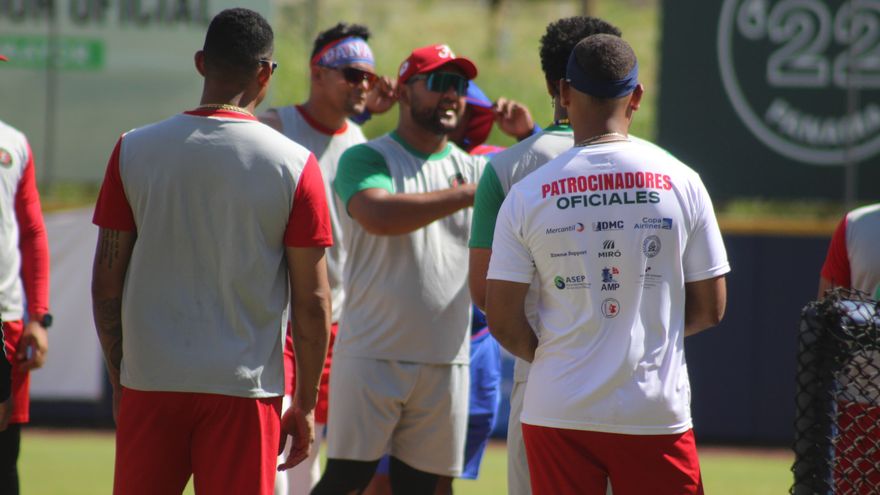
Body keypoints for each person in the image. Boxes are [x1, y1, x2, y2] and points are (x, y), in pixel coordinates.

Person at [90, 9, 332, 495]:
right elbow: (313, 303)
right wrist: (305, 404)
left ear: (201, 62)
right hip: (244, 390)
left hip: (152, 382)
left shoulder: (133, 149)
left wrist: (121, 378)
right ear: (266, 73)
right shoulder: (295, 164)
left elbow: (106, 284)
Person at [485, 34, 729, 494]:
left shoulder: (526, 194)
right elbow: (711, 308)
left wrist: (561, 356)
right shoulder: (683, 181)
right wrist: (642, 340)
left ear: (564, 93)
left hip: (557, 406)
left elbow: (500, 317)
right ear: (636, 96)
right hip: (653, 409)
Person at [311, 43, 485, 495]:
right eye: (440, 83)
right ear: (405, 92)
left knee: (422, 488)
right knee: (346, 480)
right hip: (373, 353)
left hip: (446, 357)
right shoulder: (368, 157)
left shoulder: (475, 168)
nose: (453, 95)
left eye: (460, 85)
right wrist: (469, 194)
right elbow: (379, 215)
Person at [467, 16, 624, 495]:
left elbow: (486, 294)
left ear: (556, 84)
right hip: (634, 385)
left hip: (544, 379)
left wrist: (547, 357)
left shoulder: (506, 168)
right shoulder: (658, 167)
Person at [258, 22, 393, 495]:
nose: (363, 85)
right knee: (275, 453)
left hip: (343, 323)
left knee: (310, 456)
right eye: (352, 74)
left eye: (369, 77)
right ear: (317, 73)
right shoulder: (273, 128)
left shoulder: (362, 144)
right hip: (281, 318)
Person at [0, 51, 51, 494]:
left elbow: (33, 233)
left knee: (4, 457)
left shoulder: (13, 143)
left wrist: (39, 317)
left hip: (7, 322)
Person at [817, 203, 880, 493]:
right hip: (862, 408)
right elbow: (828, 319)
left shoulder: (857, 224)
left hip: (862, 404)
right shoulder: (855, 224)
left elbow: (825, 325)